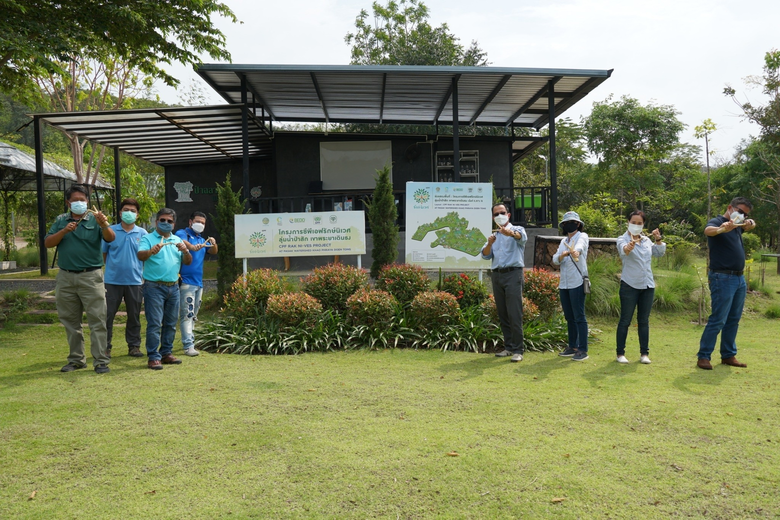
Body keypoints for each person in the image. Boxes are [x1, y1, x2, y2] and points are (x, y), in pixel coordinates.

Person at [44, 184, 115, 374]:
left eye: (82, 200)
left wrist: (104, 224)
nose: (79, 203)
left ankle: (100, 360)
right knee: (70, 321)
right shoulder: (61, 220)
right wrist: (64, 231)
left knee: (97, 319)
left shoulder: (95, 219)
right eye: (75, 200)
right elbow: (48, 242)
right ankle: (76, 359)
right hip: (66, 277)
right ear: (68, 203)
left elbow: (110, 238)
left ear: (87, 201)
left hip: (91, 276)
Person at [697, 197, 756, 370]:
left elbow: (751, 225)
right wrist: (721, 229)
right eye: (740, 212)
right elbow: (708, 231)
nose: (742, 216)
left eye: (745, 214)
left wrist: (750, 222)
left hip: (739, 279)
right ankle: (704, 356)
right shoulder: (719, 222)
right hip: (722, 277)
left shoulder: (738, 225)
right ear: (730, 207)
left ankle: (728, 355)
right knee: (718, 319)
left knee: (733, 319)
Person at [137, 208, 192, 370]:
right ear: (156, 222)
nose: (166, 223)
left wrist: (186, 251)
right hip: (153, 287)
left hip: (173, 287)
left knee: (170, 323)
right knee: (154, 323)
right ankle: (153, 356)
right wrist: (150, 251)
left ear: (174, 224)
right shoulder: (148, 238)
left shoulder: (177, 240)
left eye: (169, 221)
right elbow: (140, 255)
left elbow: (187, 261)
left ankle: (166, 353)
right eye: (163, 220)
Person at [615, 211, 666, 364]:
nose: (636, 226)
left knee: (643, 320)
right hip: (630, 285)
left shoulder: (645, 240)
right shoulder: (622, 239)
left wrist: (658, 239)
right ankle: (620, 354)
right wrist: (629, 247)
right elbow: (623, 251)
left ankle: (644, 354)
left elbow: (658, 253)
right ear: (628, 222)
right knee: (625, 320)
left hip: (647, 285)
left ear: (644, 225)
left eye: (639, 223)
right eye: (634, 222)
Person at [481, 202, 527, 362]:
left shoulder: (518, 229)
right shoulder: (494, 235)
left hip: (513, 274)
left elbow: (521, 238)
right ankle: (508, 347)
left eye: (502, 212)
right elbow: (485, 255)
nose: (499, 216)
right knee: (503, 312)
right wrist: (490, 243)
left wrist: (510, 233)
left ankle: (518, 350)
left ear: (508, 215)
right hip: (497, 275)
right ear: (493, 218)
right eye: (496, 214)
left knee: (515, 312)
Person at [102, 198, 148, 358]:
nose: (129, 213)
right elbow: (104, 254)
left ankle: (134, 346)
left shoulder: (143, 233)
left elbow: (146, 256)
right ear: (120, 212)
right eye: (126, 210)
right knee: (107, 316)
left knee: (134, 316)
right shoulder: (109, 231)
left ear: (137, 215)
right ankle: (105, 348)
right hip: (111, 281)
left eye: (133, 211)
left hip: (135, 282)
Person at [176, 211, 218, 357]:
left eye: (203, 223)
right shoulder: (183, 234)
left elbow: (213, 251)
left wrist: (213, 242)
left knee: (193, 315)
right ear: (190, 221)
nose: (200, 225)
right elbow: (182, 242)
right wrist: (192, 248)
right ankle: (188, 346)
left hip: (199, 283)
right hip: (186, 282)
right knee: (187, 314)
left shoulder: (201, 238)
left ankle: (190, 340)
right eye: (197, 221)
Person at [552, 211, 590, 362]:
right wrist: (563, 255)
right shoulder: (563, 242)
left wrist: (575, 251)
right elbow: (555, 259)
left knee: (579, 316)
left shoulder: (582, 236)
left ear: (578, 224)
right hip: (564, 284)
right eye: (566, 223)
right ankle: (572, 346)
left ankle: (583, 349)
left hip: (578, 281)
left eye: (573, 222)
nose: (570, 225)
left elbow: (580, 247)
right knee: (569, 316)